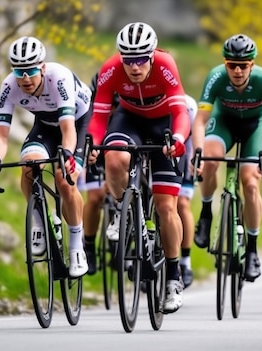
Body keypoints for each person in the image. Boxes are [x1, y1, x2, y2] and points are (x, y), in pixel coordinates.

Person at [88, 22, 190, 314]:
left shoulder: (165, 64)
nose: (134, 66)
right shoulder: (110, 69)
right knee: (114, 156)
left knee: (166, 207)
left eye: (140, 59)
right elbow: (99, 116)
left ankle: (172, 277)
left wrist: (180, 139)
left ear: (152, 54)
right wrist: (93, 144)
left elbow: (180, 111)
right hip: (129, 120)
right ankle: (123, 210)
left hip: (164, 125)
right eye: (128, 59)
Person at [0, 36, 90, 277]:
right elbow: (1, 133)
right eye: (19, 72)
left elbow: (68, 130)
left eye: (31, 70)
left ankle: (75, 247)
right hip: (44, 124)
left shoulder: (58, 79)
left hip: (78, 121)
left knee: (64, 178)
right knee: (29, 167)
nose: (25, 78)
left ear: (42, 67)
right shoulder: (9, 86)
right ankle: (40, 225)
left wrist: (68, 155)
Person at [191, 34, 262, 283]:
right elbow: (200, 120)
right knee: (209, 159)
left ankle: (251, 250)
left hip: (255, 126)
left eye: (243, 65)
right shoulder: (216, 76)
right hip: (225, 122)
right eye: (232, 65)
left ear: (252, 64)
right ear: (225, 63)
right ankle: (206, 213)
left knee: (250, 181)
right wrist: (197, 152)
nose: (238, 71)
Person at [81, 73, 119, 276]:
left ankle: (124, 243)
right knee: (95, 198)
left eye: (115, 105)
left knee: (123, 193)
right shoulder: (89, 111)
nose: (109, 110)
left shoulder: (124, 114)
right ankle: (89, 246)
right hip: (96, 155)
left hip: (116, 154)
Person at [177, 95, 198, 288]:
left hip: (185, 151)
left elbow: (193, 142)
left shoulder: (188, 105)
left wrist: (194, 164)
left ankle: (185, 260)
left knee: (182, 203)